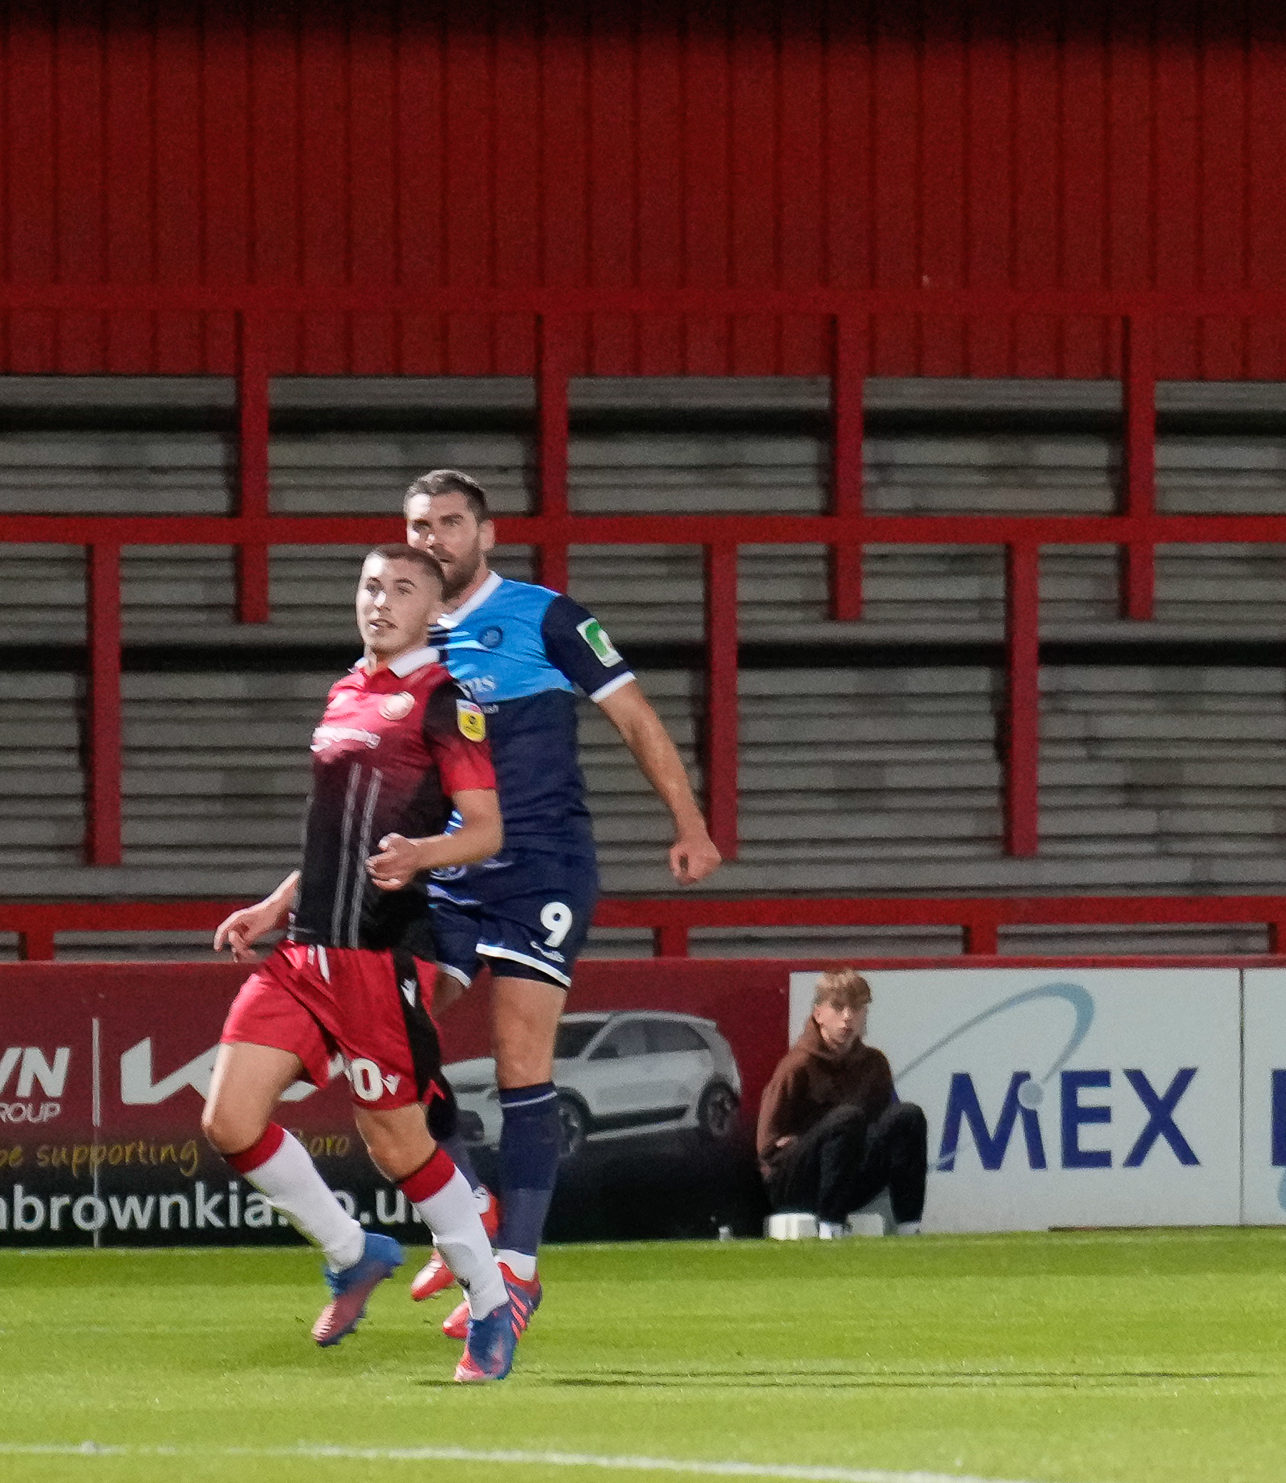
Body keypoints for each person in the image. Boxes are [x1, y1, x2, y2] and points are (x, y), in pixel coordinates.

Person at [399, 467, 724, 1344]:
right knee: (387, 1038)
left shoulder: (546, 617)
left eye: (451, 522)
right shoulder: (405, 635)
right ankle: (468, 1204)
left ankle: (519, 1268)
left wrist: (690, 823)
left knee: (519, 1062)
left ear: (486, 534)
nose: (434, 539)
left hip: (540, 868)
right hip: (447, 869)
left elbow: (637, 719)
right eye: (421, 525)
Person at [202, 545, 521, 1384]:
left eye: (403, 589)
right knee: (229, 1121)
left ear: (435, 610)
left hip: (379, 957)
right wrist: (276, 904)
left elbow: (486, 829)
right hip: (303, 951)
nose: (381, 601)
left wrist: (422, 854)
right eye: (372, 585)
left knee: (399, 1147)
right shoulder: (347, 690)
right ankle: (354, 1252)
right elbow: (337, 828)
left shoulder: (445, 701)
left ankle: (492, 1306)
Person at [758, 967, 926, 1236]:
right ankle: (831, 1226)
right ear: (818, 1014)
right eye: (838, 1007)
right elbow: (767, 1149)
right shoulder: (797, 1066)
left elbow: (880, 1133)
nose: (847, 1017)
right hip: (794, 1186)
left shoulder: (875, 1064)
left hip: (849, 1175)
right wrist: (807, 1143)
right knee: (847, 1118)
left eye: (856, 1008)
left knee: (908, 1116)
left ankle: (910, 1227)